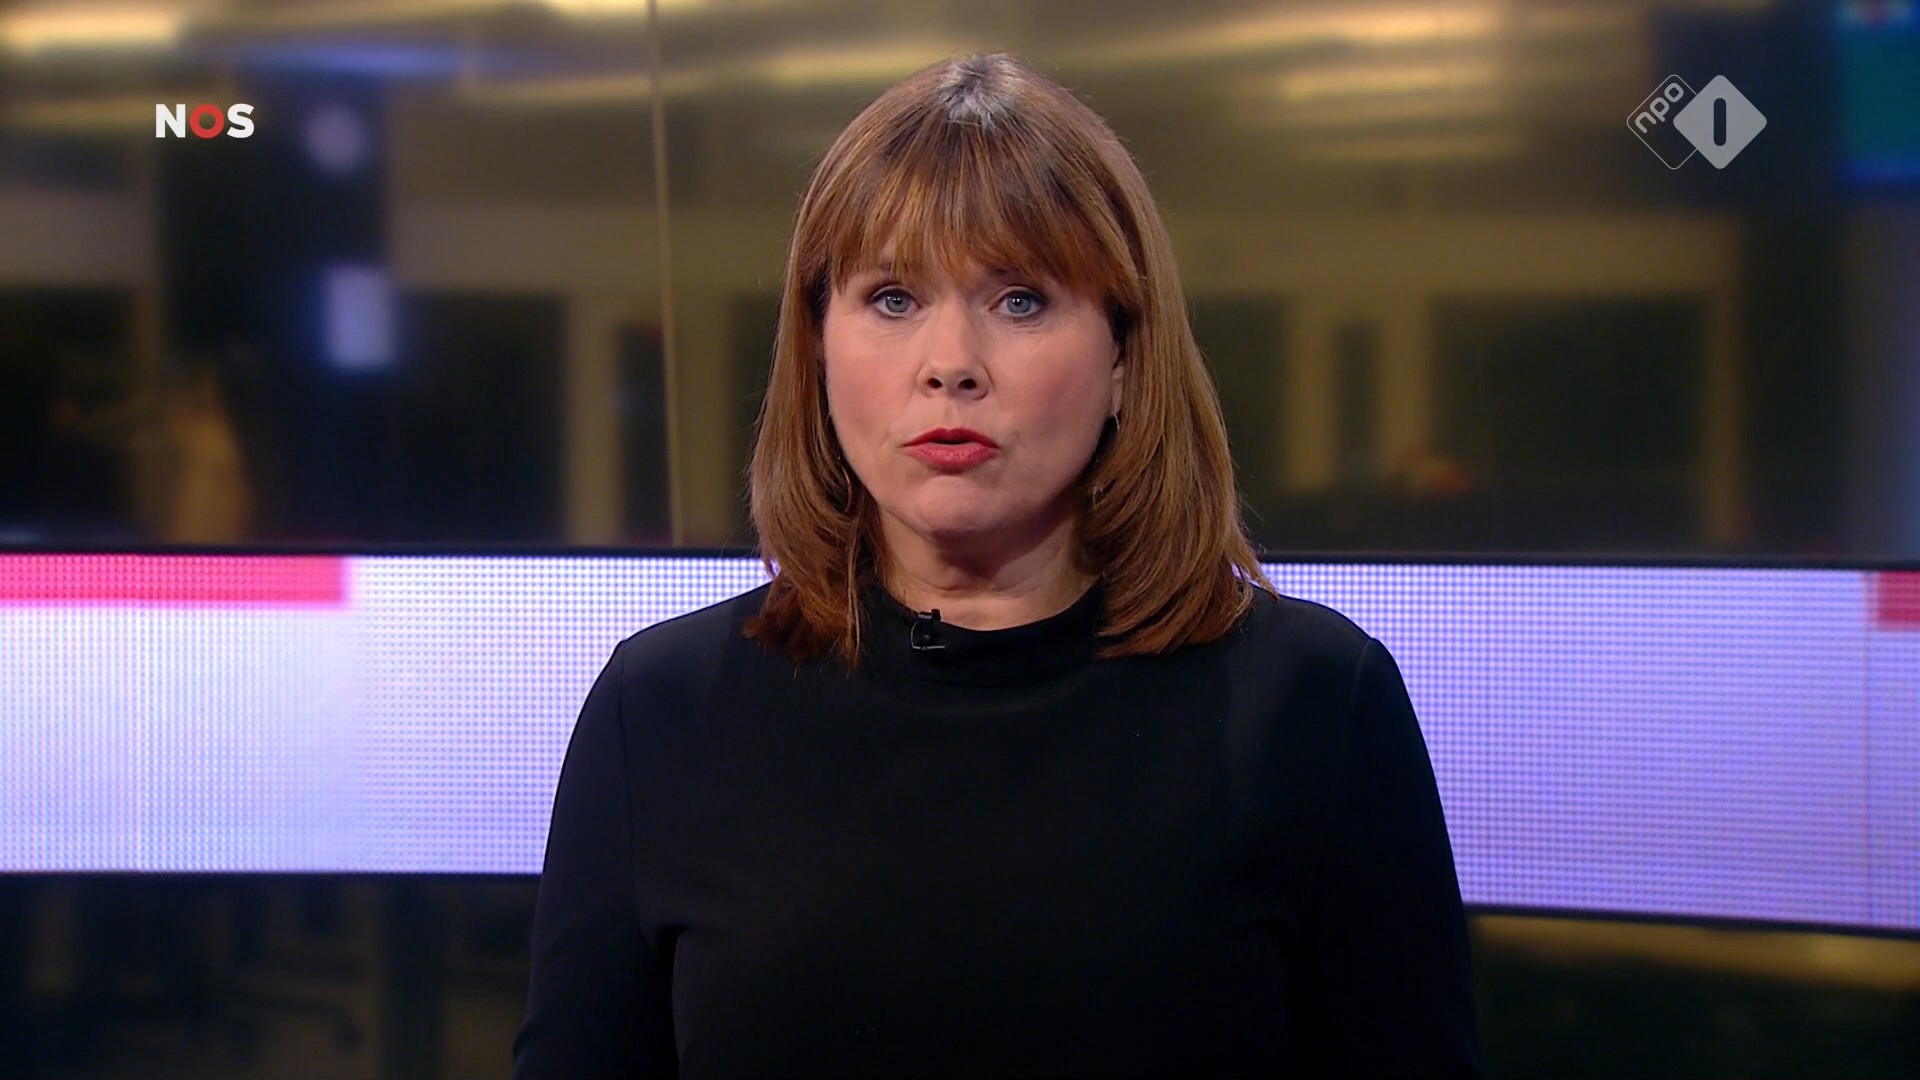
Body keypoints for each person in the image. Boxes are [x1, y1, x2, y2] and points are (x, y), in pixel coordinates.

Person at [513, 53, 1479, 1079]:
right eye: (893, 298)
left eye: (1019, 300)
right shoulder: (662, 709)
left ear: (1124, 357)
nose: (950, 364)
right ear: (817, 346)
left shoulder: (1315, 706)